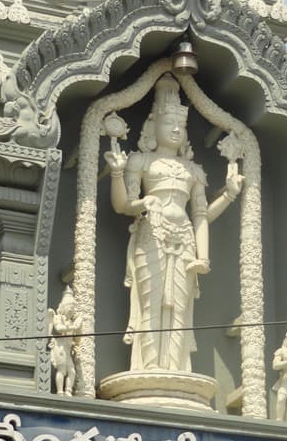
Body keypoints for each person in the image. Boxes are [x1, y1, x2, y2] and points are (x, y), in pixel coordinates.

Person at [103, 73, 242, 372]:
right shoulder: (139, 161)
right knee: (151, 303)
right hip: (150, 235)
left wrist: (229, 196)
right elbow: (123, 205)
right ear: (154, 127)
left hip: (184, 241)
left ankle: (177, 369)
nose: (177, 129)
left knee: (179, 308)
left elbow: (201, 216)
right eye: (169, 123)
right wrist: (119, 177)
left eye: (181, 124)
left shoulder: (192, 169)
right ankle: (149, 368)